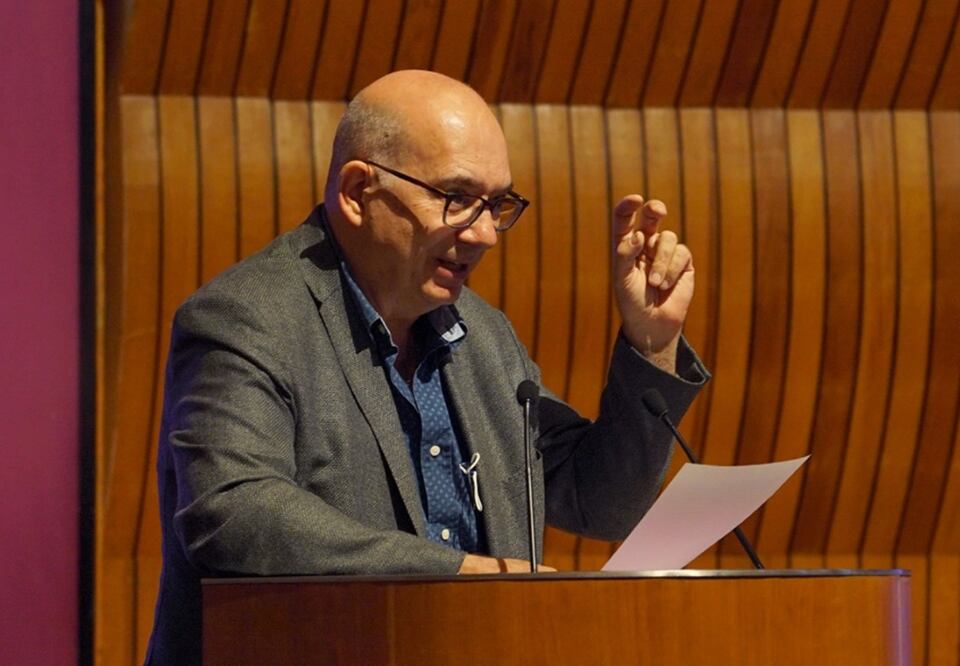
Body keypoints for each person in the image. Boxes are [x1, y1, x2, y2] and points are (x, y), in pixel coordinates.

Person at [145, 70, 707, 665]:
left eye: (498, 205)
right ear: (358, 192)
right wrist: (457, 575)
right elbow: (231, 513)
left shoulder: (484, 335)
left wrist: (651, 344)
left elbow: (601, 501)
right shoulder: (247, 318)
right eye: (459, 199)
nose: (487, 233)